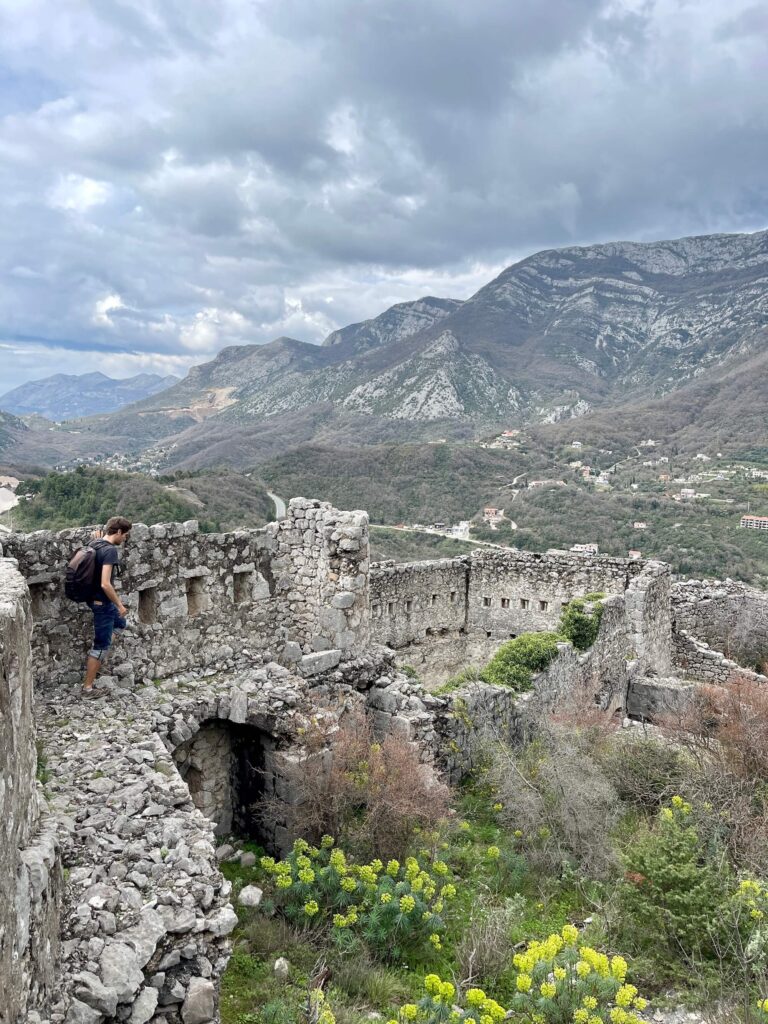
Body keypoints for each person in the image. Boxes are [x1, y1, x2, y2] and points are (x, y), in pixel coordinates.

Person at [81, 515, 132, 697]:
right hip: (102, 602)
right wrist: (120, 605)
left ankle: (98, 662)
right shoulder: (110, 551)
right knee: (101, 645)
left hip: (94, 599)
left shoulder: (95, 544)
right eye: (125, 535)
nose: (125, 538)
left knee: (120, 624)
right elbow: (105, 583)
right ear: (118, 532)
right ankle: (88, 688)